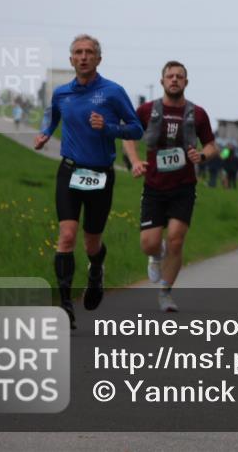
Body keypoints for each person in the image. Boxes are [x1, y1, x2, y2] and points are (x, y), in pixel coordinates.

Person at [35, 34, 144, 329]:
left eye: (89, 52)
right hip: (70, 171)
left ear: (98, 58)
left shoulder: (113, 92)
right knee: (67, 236)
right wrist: (46, 132)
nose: (83, 57)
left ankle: (96, 270)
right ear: (71, 59)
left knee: (91, 242)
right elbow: (52, 116)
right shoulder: (61, 94)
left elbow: (136, 130)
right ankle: (66, 305)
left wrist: (108, 127)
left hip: (100, 175)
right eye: (77, 53)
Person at [123, 61, 217, 312]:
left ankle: (165, 292)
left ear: (186, 82)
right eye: (170, 76)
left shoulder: (197, 114)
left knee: (176, 240)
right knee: (150, 244)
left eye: (179, 76)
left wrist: (203, 156)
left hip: (183, 186)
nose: (174, 80)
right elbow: (128, 136)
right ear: (162, 81)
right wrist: (134, 161)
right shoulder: (145, 110)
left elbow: (211, 145)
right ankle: (156, 255)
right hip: (154, 186)